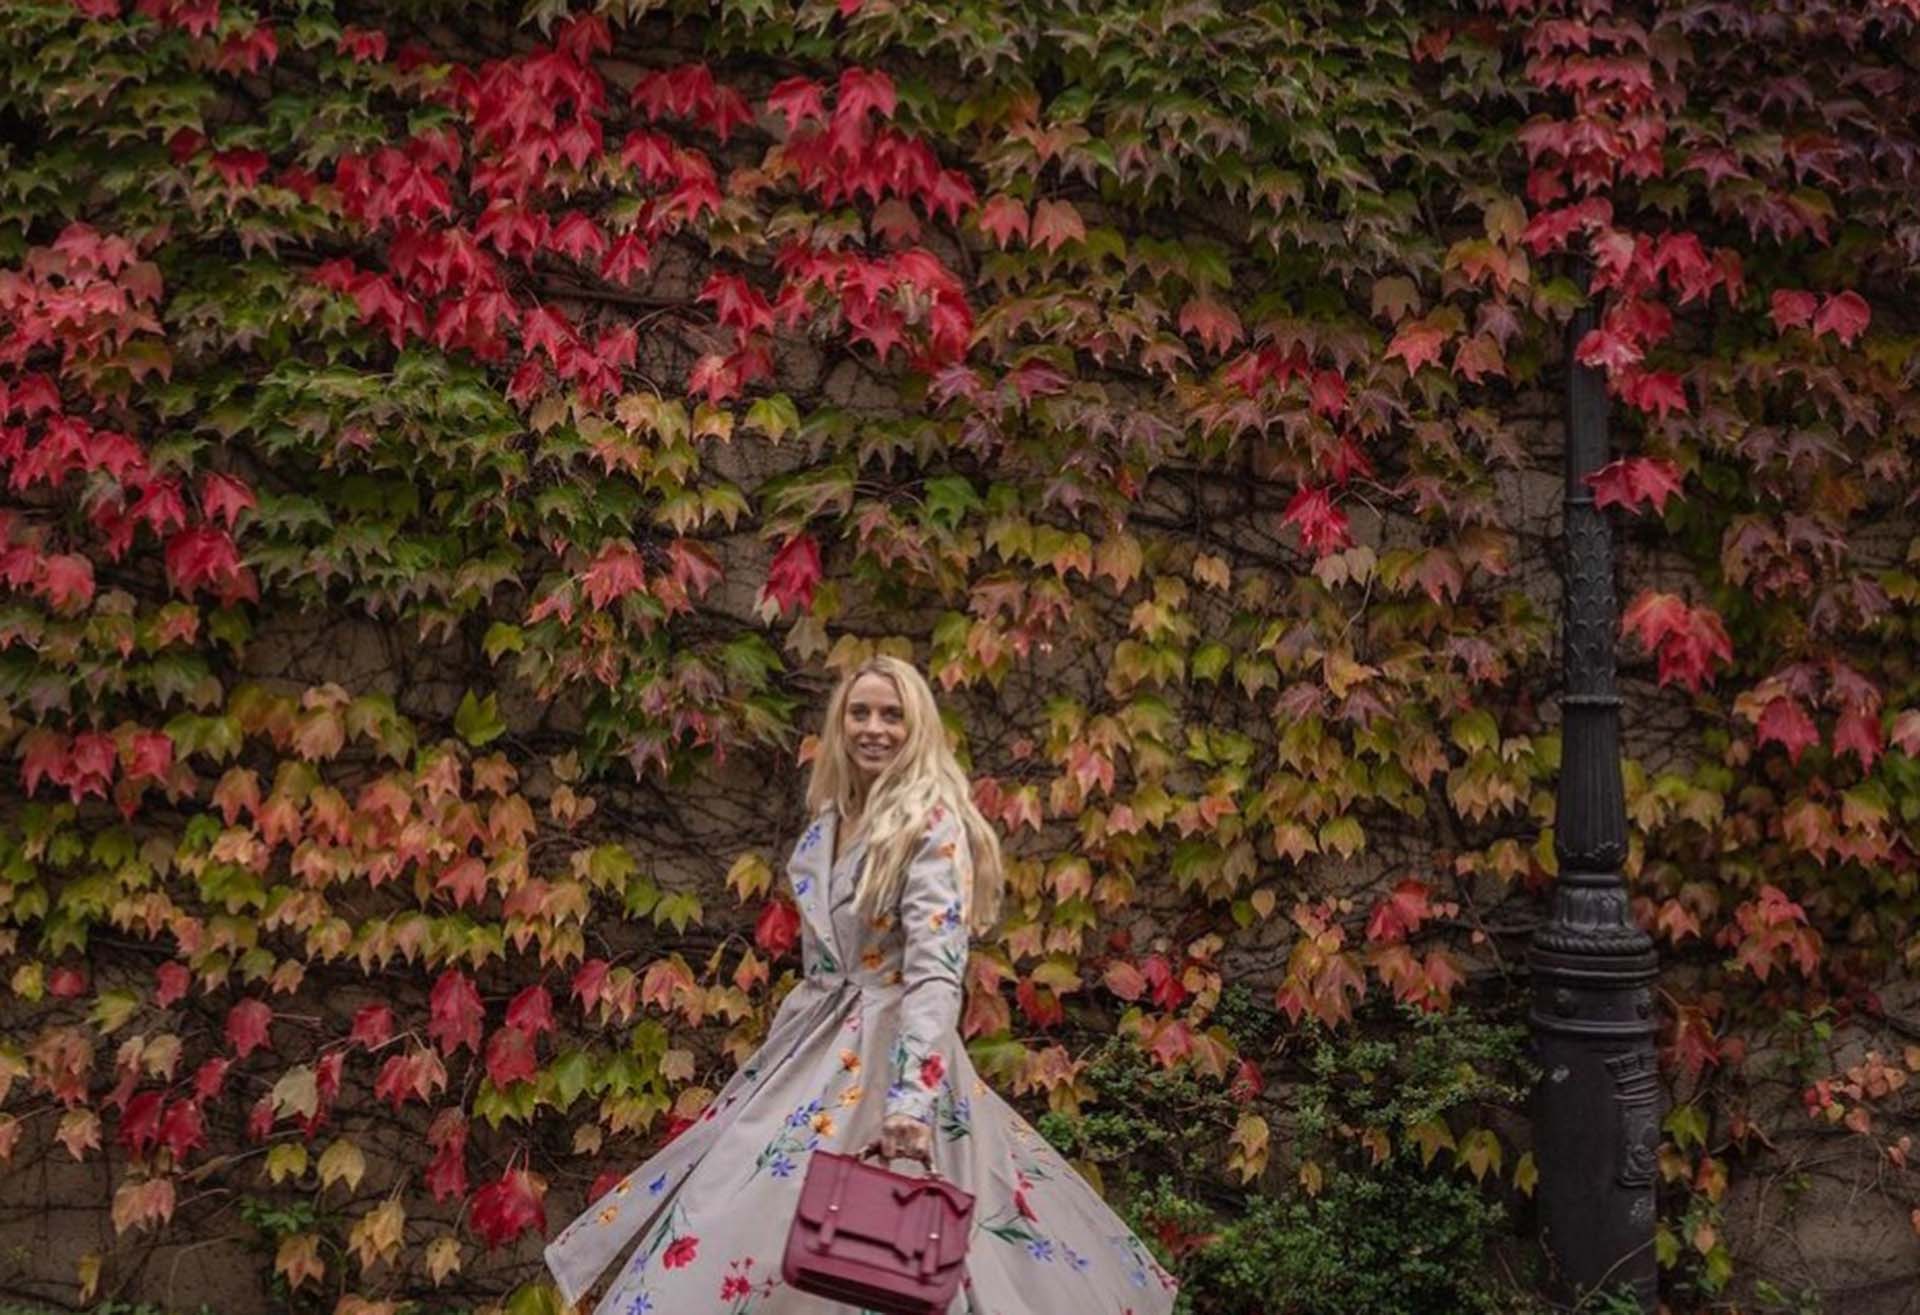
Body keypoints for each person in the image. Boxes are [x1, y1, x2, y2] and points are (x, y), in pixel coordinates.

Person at [544, 655, 1180, 1314]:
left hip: (895, 1063)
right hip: (811, 1051)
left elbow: (935, 971)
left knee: (887, 1247)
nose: (874, 727)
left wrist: (908, 1104)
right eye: (860, 712)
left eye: (892, 714)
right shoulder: (826, 827)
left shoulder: (930, 827)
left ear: (919, 726)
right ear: (839, 722)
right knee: (736, 1209)